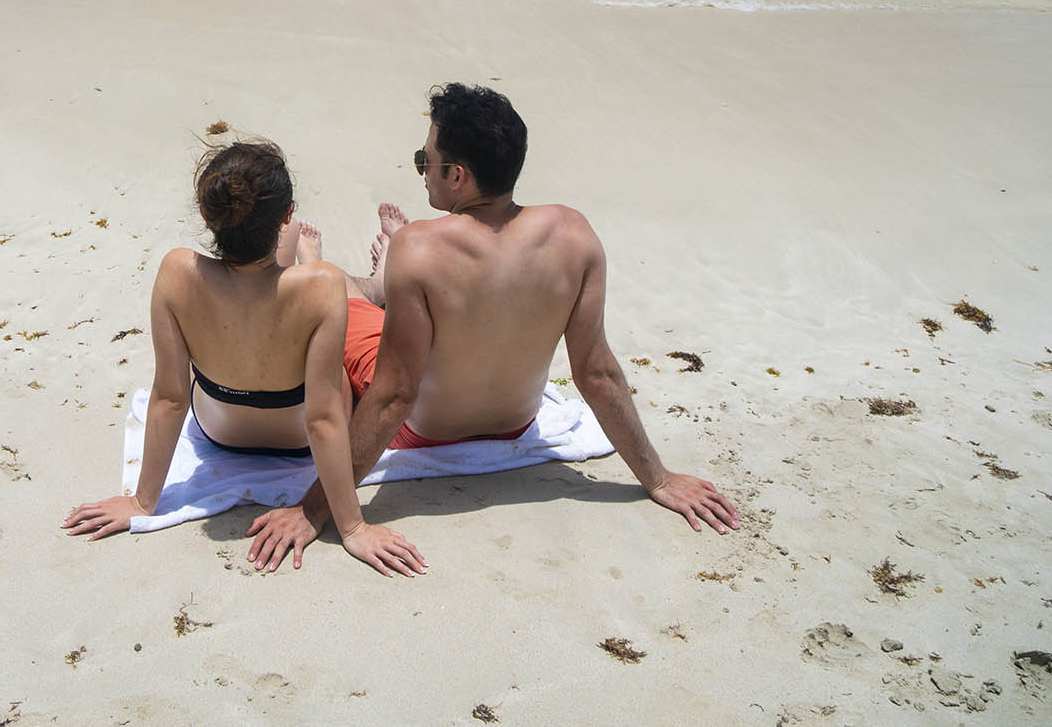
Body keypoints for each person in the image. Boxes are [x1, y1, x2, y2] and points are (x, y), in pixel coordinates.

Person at [245, 85, 739, 570]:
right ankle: (381, 278)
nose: (422, 171)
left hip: (421, 433)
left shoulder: (417, 248)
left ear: (457, 176)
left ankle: (339, 270)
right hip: (515, 424)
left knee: (332, 299)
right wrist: (657, 479)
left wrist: (313, 510)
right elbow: (597, 373)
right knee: (403, 291)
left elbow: (395, 395)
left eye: (426, 160)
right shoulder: (575, 234)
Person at [62, 140, 424, 576]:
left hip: (220, 429)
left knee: (268, 270)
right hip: (298, 441)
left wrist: (142, 502)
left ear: (205, 213)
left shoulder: (177, 271)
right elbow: (324, 418)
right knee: (304, 292)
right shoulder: (323, 285)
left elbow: (170, 399)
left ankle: (290, 256)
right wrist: (352, 527)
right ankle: (317, 262)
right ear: (287, 212)